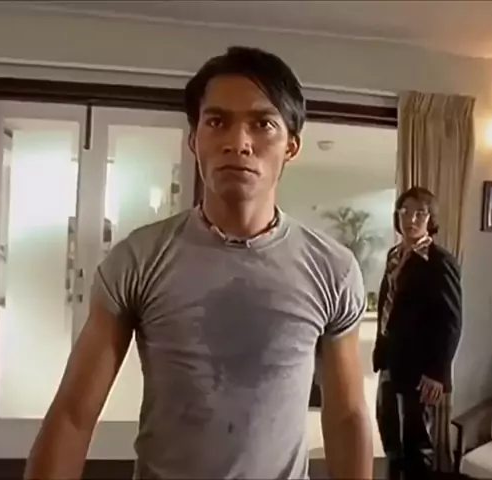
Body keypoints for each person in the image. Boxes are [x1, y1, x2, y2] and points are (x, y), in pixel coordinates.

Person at [24, 46, 373, 480]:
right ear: (194, 140)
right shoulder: (140, 258)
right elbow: (74, 414)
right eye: (217, 122)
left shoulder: (332, 269)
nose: (238, 143)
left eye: (263, 124)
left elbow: (346, 416)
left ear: (291, 146)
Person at [372, 187, 463, 480]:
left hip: (421, 371)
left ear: (430, 218)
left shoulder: (440, 262)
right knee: (390, 437)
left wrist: (437, 373)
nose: (411, 219)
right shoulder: (394, 255)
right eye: (405, 212)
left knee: (416, 445)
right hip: (389, 362)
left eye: (419, 213)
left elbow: (451, 322)